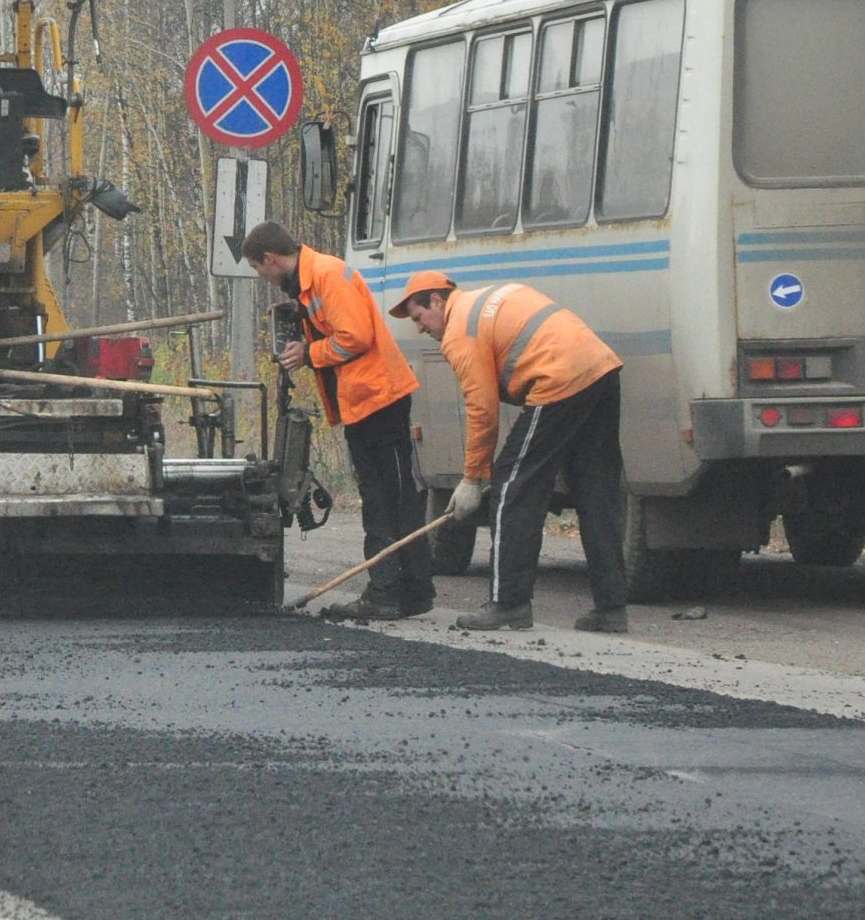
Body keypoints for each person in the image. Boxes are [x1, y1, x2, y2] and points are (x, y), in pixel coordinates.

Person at [388, 269, 628, 633]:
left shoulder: (459, 331)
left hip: (559, 378)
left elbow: (482, 409)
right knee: (597, 490)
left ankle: (508, 603)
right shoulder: (483, 302)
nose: (421, 329)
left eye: (419, 317)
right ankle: (611, 608)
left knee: (512, 490)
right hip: (600, 367)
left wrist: (473, 478)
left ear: (437, 301)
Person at [242, 221, 433, 620]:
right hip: (365, 401)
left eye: (261, 271)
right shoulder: (313, 283)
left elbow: (355, 337)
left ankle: (388, 592)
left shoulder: (327, 275)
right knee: (387, 495)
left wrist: (309, 353)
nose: (265, 279)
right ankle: (410, 589)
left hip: (379, 399)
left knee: (387, 498)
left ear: (271, 259)